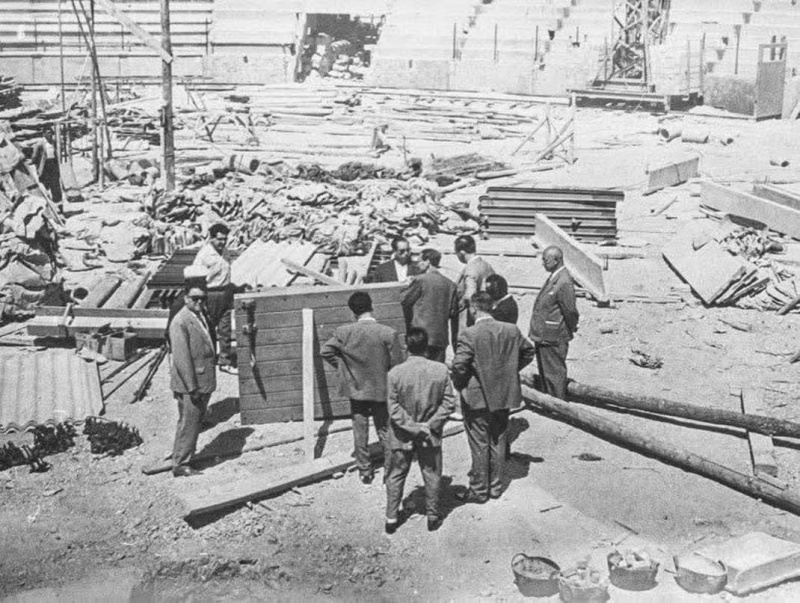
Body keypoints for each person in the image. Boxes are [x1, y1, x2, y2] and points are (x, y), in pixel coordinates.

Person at [450, 292, 536, 503]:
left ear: (473, 308)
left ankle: (479, 490)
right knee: (498, 439)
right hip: (504, 394)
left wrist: (462, 385)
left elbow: (459, 365)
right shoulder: (510, 329)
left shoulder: (469, 334)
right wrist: (509, 373)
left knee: (479, 442)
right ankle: (496, 487)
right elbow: (528, 352)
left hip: (477, 397)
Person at [321, 291, 403, 484]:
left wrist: (345, 368)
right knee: (384, 428)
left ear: (352, 312)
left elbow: (326, 351)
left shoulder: (344, 332)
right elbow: (397, 366)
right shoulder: (387, 333)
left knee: (360, 428)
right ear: (371, 307)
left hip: (356, 389)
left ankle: (365, 471)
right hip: (381, 390)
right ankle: (390, 471)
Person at [385, 327, 455, 534]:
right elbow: (449, 403)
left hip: (401, 434)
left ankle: (391, 518)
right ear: (426, 348)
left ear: (407, 347)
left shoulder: (394, 373)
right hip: (429, 434)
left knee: (396, 474)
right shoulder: (440, 370)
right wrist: (429, 426)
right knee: (432, 474)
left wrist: (412, 427)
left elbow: (394, 408)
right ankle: (432, 516)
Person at [169, 268, 217, 477]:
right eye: (195, 298)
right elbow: (181, 359)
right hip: (192, 382)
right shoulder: (180, 321)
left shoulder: (199, 315)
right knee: (190, 423)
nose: (200, 302)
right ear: (186, 298)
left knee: (191, 422)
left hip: (201, 379)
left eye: (203, 299)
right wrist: (192, 387)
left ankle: (182, 456)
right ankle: (181, 464)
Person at [528, 246, 579, 400]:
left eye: (545, 260)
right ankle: (549, 400)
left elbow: (570, 311)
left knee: (554, 372)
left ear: (556, 260)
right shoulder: (555, 277)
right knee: (546, 370)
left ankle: (558, 403)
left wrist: (568, 329)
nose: (543, 263)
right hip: (545, 335)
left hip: (554, 335)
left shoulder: (564, 281)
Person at [192, 223, 236, 374]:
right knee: (209, 329)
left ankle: (225, 361)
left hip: (225, 293)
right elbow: (195, 277)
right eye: (219, 239)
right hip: (210, 294)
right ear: (211, 239)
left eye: (225, 239)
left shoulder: (225, 251)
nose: (222, 242)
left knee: (225, 330)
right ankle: (209, 360)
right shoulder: (204, 254)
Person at [400, 248, 458, 363]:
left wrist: (405, 284)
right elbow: (453, 312)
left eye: (420, 261)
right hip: (440, 338)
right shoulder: (450, 284)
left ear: (427, 262)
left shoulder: (420, 280)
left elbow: (404, 300)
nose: (417, 264)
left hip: (421, 337)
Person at [453, 234, 495, 336]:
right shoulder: (486, 265)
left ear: (462, 253)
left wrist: (459, 304)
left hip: (469, 318)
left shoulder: (471, 269)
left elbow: (470, 295)